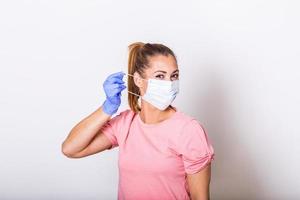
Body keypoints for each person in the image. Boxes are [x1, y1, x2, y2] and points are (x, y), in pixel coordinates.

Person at [61, 42, 215, 200]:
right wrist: (107, 108)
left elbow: (200, 197)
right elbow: (71, 149)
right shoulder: (126, 123)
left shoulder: (188, 130)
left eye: (174, 75)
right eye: (160, 76)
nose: (169, 83)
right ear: (138, 80)